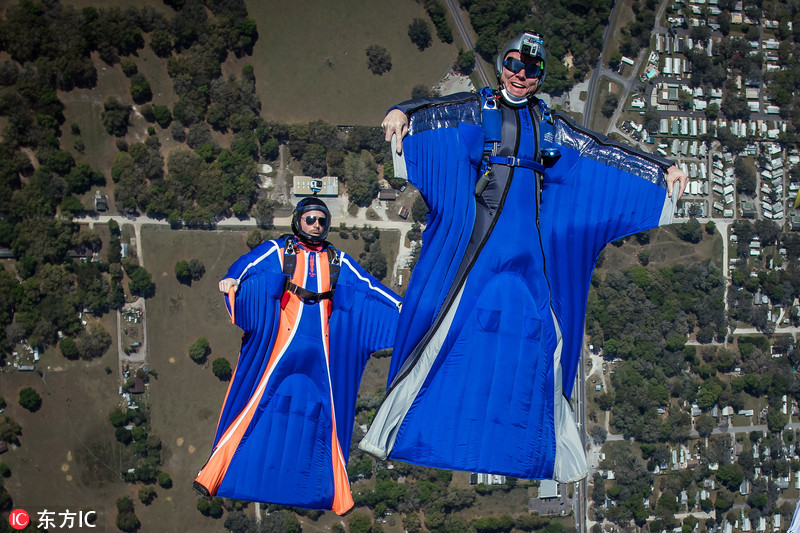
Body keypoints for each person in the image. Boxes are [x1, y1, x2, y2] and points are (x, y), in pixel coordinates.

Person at [360, 32, 688, 483]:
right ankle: (396, 428)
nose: (520, 75)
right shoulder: (476, 108)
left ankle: (549, 449)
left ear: (540, 77)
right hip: (479, 243)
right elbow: (431, 113)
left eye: (531, 70)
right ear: (500, 65)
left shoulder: (550, 125)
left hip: (530, 248)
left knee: (546, 339)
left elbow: (600, 153)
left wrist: (658, 172)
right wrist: (400, 112)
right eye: (513, 65)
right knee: (442, 327)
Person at [194, 197, 402, 515]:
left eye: (322, 220)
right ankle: (215, 474)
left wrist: (407, 312)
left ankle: (336, 491)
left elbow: (371, 290)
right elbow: (247, 266)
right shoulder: (279, 252)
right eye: (311, 219)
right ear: (298, 221)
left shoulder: (338, 261)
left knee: (330, 415)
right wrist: (232, 281)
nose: (317, 225)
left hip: (322, 346)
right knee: (254, 403)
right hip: (283, 341)